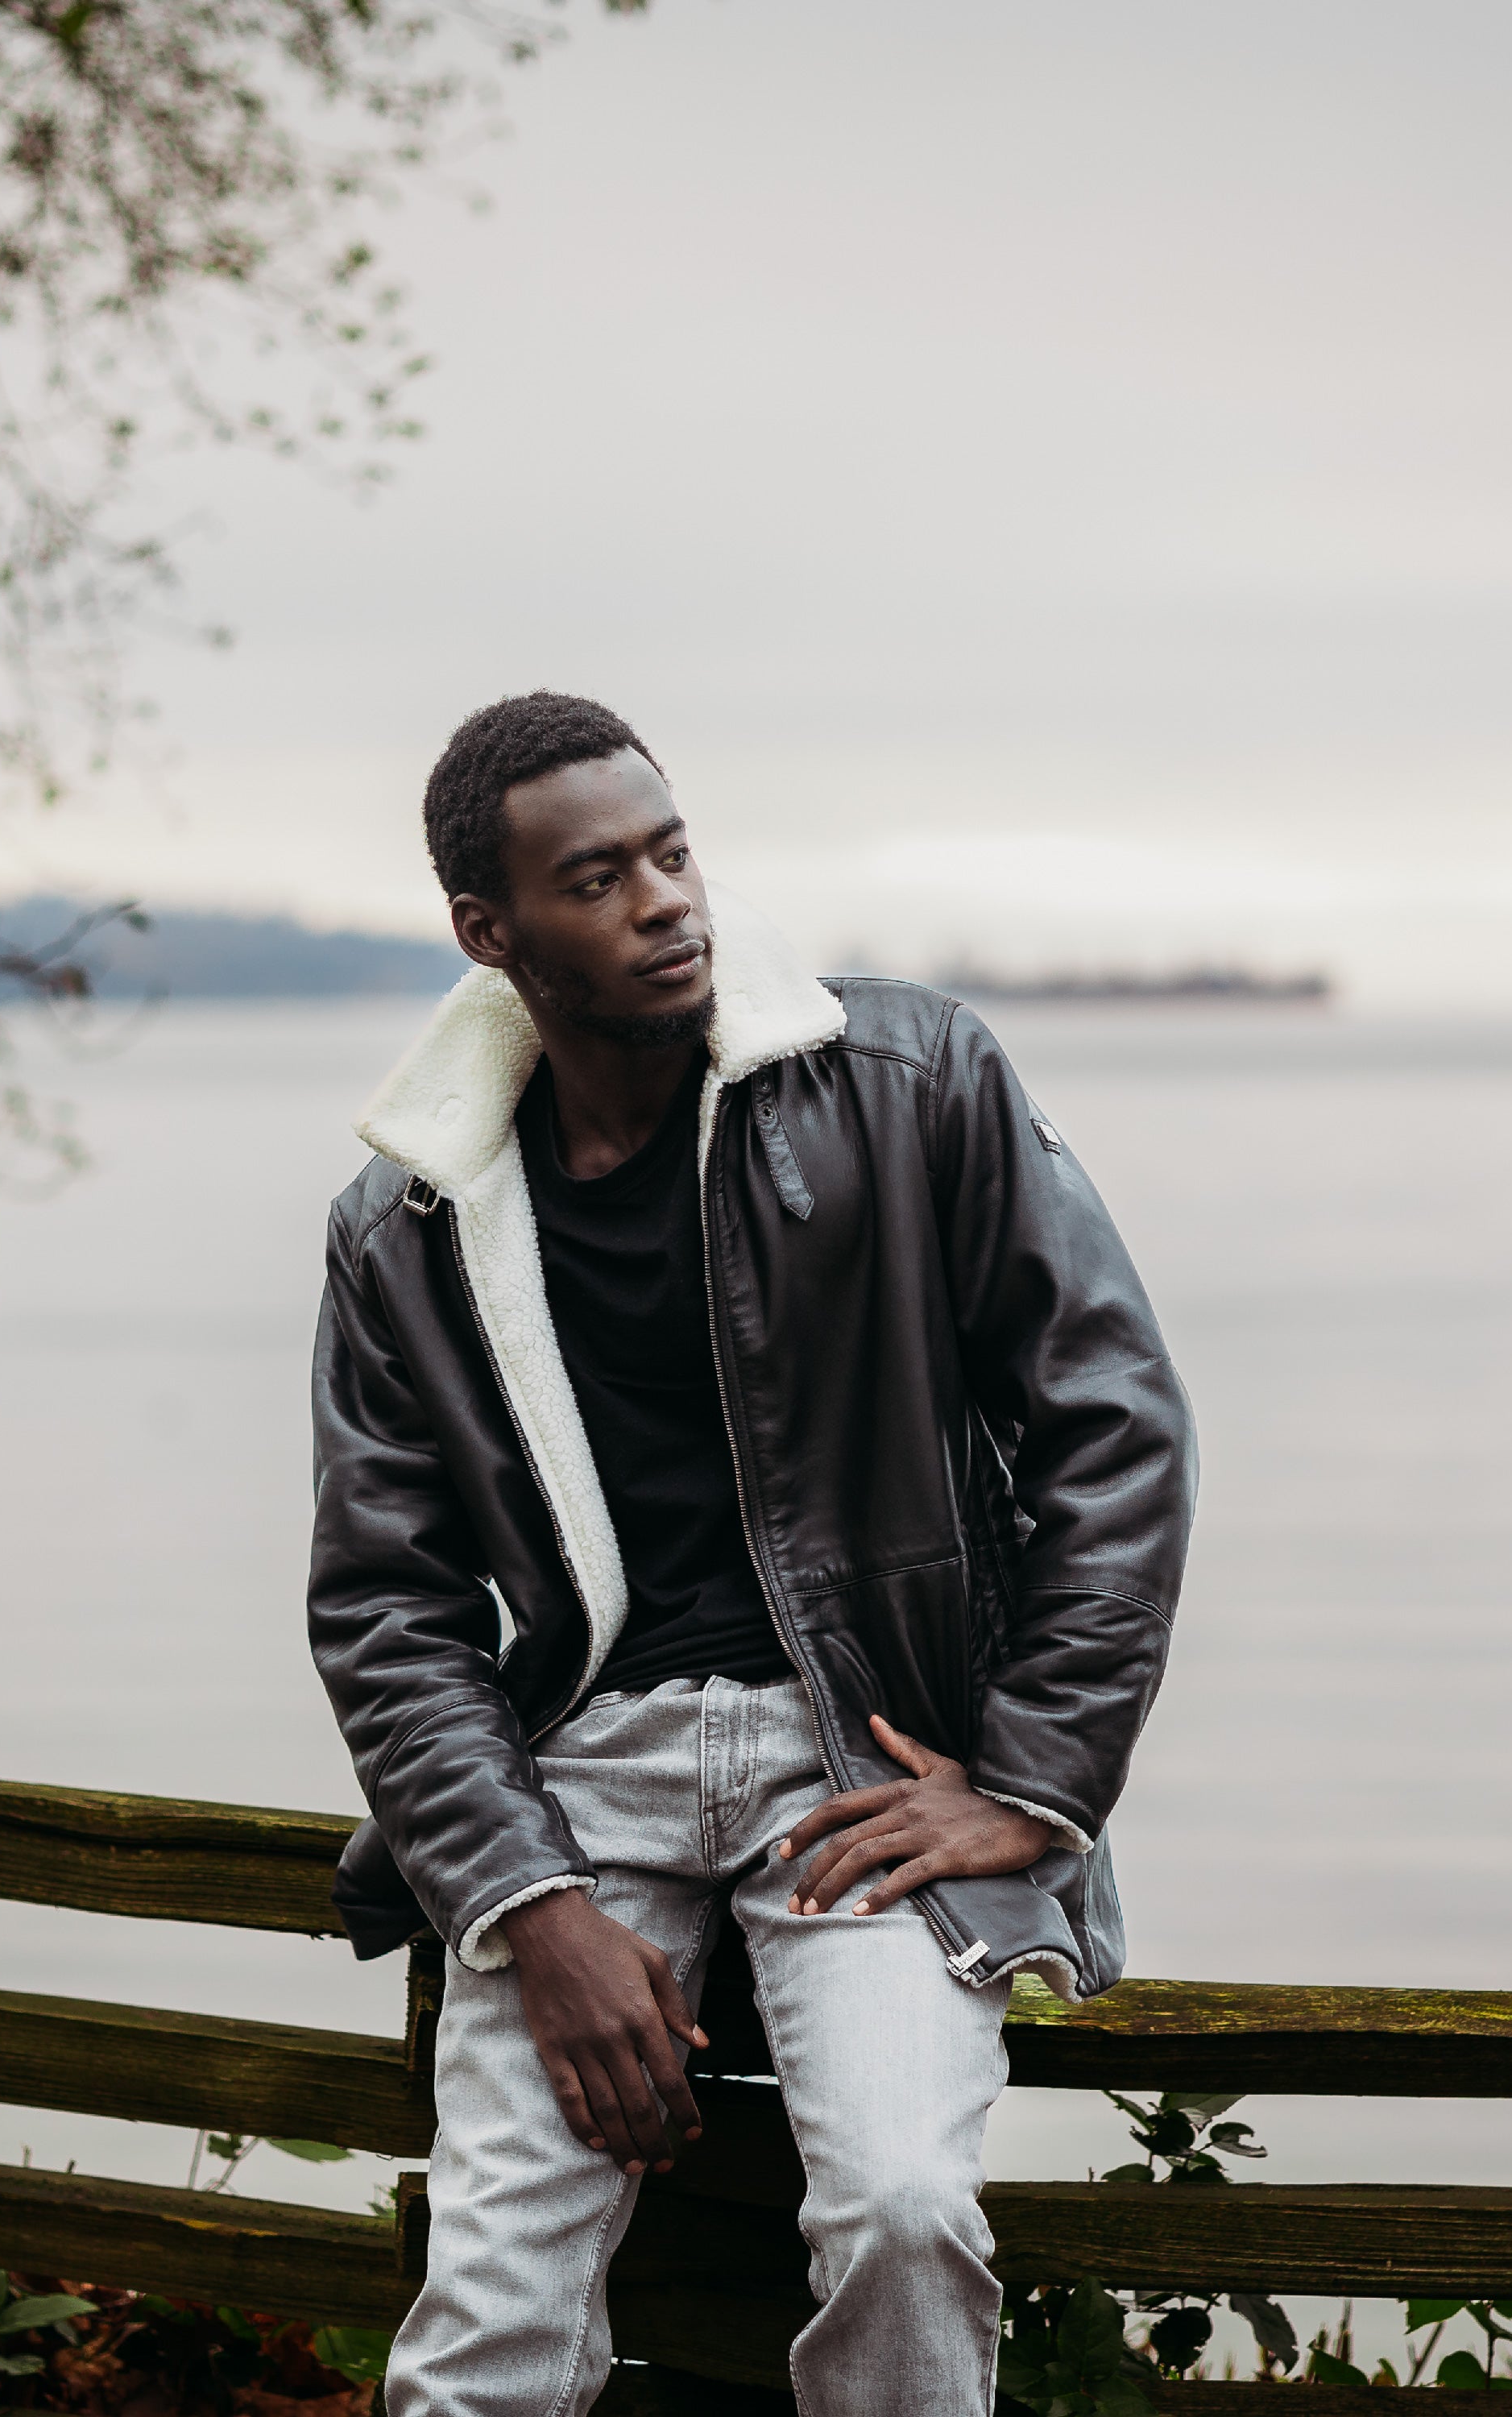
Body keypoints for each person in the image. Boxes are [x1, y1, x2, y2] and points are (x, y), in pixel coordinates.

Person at [308, 691, 1196, 2417]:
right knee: (490, 2306)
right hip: (576, 1792)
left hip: (857, 1774)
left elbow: (1117, 1424)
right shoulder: (408, 1221)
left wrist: (1033, 1777)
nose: (664, 902)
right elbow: (388, 1609)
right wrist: (525, 1903)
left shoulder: (908, 1080)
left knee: (903, 2216)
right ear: (491, 933)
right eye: (597, 880)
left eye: (672, 849)